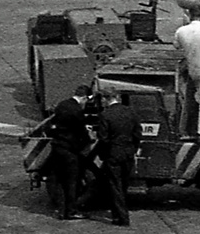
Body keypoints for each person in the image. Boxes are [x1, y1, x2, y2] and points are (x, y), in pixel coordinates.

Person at [44, 84, 97, 220]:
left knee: (60, 180)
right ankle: (71, 211)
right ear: (84, 98)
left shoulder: (62, 105)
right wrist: (89, 138)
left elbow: (54, 123)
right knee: (72, 181)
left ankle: (62, 210)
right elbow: (81, 132)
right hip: (69, 151)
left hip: (57, 148)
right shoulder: (77, 111)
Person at [94, 89, 142, 226]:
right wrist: (133, 148)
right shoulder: (131, 112)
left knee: (115, 186)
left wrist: (103, 154)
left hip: (113, 154)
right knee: (124, 184)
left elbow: (103, 138)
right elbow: (138, 133)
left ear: (105, 99)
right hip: (128, 153)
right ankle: (117, 214)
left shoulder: (105, 115)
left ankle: (122, 217)